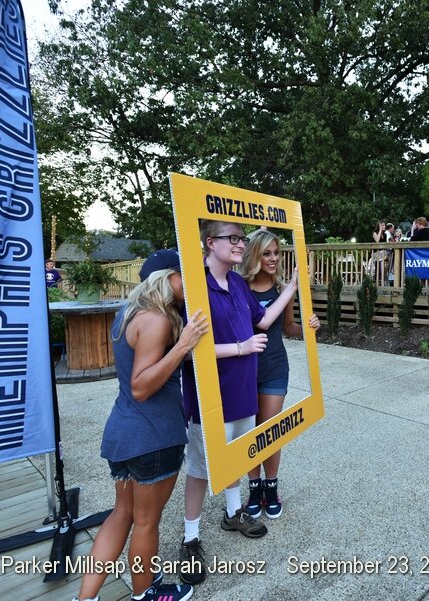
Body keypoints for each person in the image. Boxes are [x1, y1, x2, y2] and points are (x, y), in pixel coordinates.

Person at [73, 249, 207, 601]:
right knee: (146, 522)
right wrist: (182, 346)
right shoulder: (157, 320)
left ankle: (84, 598)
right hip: (153, 438)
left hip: (123, 434)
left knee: (122, 514)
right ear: (165, 277)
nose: (192, 284)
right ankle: (146, 592)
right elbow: (141, 385)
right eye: (185, 276)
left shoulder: (127, 314)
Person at [177, 221, 299, 584]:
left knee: (234, 457)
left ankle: (234, 513)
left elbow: (263, 321)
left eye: (242, 239)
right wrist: (240, 349)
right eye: (233, 239)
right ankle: (190, 537)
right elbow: (187, 349)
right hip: (211, 397)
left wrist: (291, 288)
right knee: (201, 469)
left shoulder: (237, 285)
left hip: (244, 393)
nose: (240, 244)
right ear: (209, 243)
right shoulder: (195, 287)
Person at [239, 230, 320, 520]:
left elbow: (288, 328)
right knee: (250, 432)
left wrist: (309, 327)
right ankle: (254, 487)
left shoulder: (283, 289)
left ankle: (271, 487)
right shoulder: (239, 287)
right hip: (244, 371)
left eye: (276, 252)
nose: (273, 258)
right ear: (254, 255)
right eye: (267, 253)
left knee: (270, 432)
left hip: (274, 368)